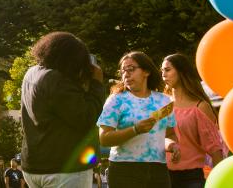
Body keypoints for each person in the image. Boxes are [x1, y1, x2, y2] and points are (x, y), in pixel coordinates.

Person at [19, 32, 106, 188]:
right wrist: (97, 84)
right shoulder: (57, 81)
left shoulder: (31, 73)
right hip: (63, 169)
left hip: (33, 166)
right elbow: (87, 116)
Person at [97, 51, 176, 188]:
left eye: (131, 69)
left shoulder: (164, 101)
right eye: (123, 71)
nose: (126, 74)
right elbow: (104, 139)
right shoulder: (116, 100)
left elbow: (169, 134)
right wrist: (135, 130)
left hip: (158, 170)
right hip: (124, 170)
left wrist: (172, 146)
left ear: (146, 71)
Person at [161, 54, 225, 188]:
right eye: (162, 71)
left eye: (167, 70)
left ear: (181, 71)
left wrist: (221, 182)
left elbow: (214, 149)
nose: (163, 74)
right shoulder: (163, 105)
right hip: (162, 175)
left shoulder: (200, 107)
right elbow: (154, 137)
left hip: (191, 178)